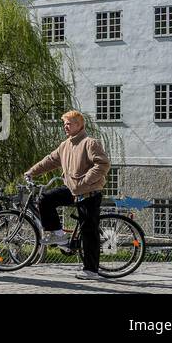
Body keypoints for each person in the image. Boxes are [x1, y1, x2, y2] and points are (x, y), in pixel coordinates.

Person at [24, 110, 111, 280]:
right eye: (64, 123)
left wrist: (85, 181)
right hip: (72, 190)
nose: (65, 126)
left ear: (79, 125)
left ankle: (91, 270)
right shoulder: (65, 146)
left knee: (89, 231)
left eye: (69, 123)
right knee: (46, 198)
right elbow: (49, 160)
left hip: (89, 192)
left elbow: (103, 164)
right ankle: (59, 235)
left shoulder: (90, 143)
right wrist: (32, 172)